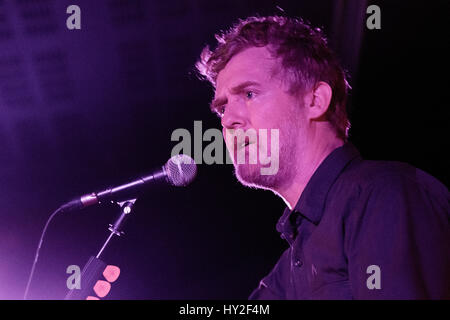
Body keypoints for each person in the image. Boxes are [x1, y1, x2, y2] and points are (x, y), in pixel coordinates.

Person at [196, 15, 450, 299]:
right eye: (221, 109)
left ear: (315, 100)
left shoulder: (382, 195)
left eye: (250, 93)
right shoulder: (286, 271)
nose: (229, 119)